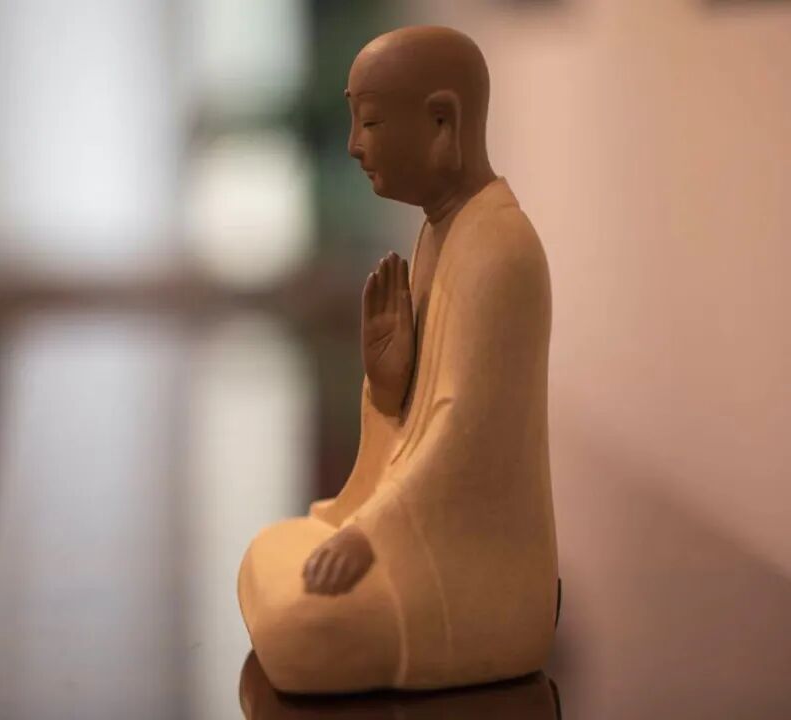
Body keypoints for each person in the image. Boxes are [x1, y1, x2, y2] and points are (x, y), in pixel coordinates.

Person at [237, 26, 559, 693]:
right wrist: (390, 392)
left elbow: (464, 440)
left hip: (474, 575)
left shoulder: (501, 250)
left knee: (299, 625)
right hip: (423, 533)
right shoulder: (443, 231)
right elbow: (421, 428)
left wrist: (369, 535)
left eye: (372, 122)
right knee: (268, 553)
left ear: (443, 122)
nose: (354, 145)